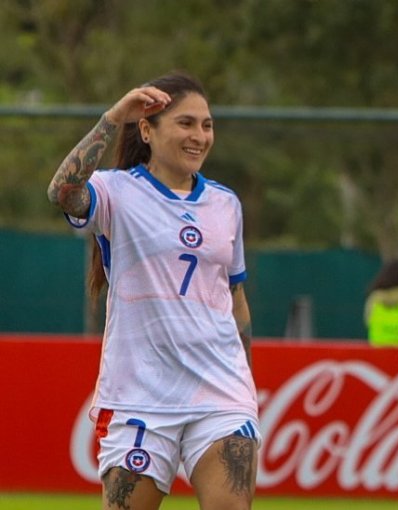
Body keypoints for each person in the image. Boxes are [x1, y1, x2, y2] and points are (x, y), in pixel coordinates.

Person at [47, 73, 258, 510]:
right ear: (147, 129)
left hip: (220, 392)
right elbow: (62, 191)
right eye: (185, 123)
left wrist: (246, 385)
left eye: (207, 125)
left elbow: (235, 301)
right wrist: (111, 118)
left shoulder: (226, 204)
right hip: (140, 396)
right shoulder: (115, 191)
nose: (199, 136)